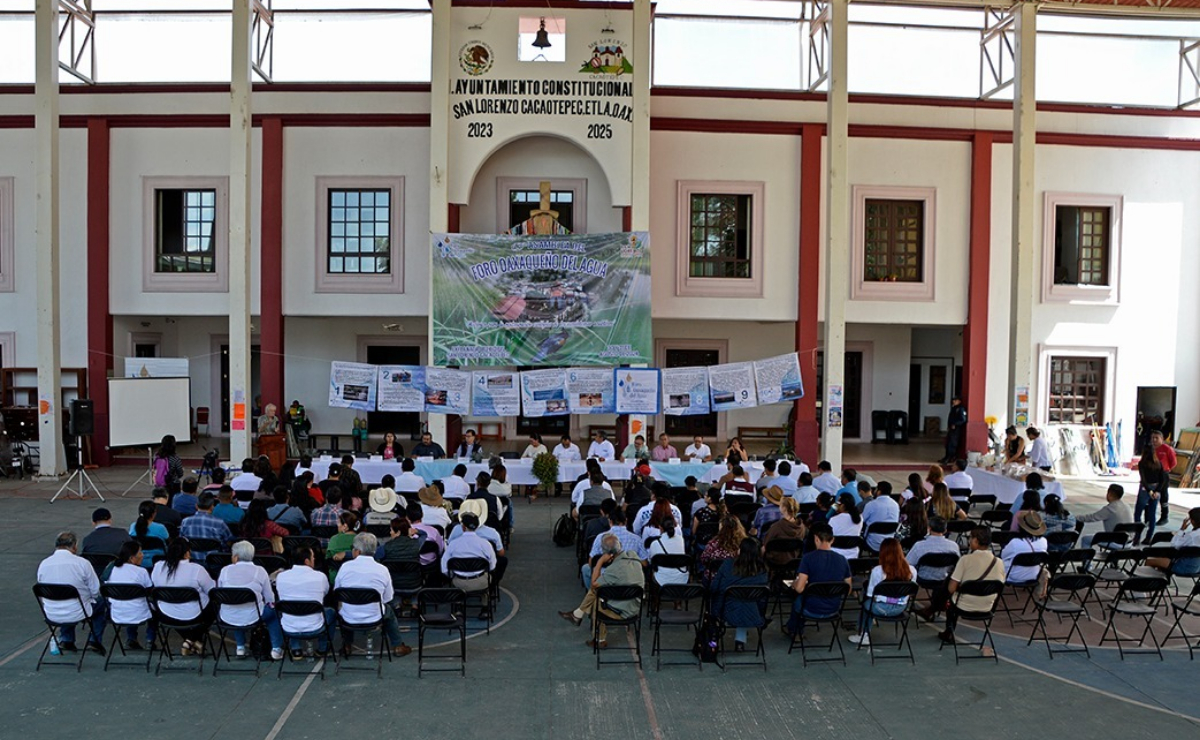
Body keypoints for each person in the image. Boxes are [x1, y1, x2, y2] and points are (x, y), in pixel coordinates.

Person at [558, 533, 645, 649]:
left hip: (623, 611)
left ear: (607, 554)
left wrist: (599, 562)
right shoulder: (633, 555)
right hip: (635, 606)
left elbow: (594, 584)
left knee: (596, 597)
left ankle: (598, 639)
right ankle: (577, 614)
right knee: (598, 594)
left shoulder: (612, 571)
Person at [333, 532, 412, 657]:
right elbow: (388, 597)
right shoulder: (382, 569)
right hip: (375, 615)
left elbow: (337, 591)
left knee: (343, 608)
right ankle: (398, 645)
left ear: (357, 552)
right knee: (389, 611)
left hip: (348, 616)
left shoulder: (345, 567)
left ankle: (347, 645)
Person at [37, 531, 107, 655]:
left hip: (51, 612)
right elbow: (95, 590)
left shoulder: (44, 564)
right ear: (74, 546)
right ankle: (94, 640)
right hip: (77, 610)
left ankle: (67, 639)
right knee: (101, 604)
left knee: (64, 598)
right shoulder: (82, 563)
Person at [938, 527, 1006, 647]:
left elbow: (951, 589)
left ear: (975, 540)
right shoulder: (999, 562)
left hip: (964, 605)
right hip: (987, 606)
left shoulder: (965, 560)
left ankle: (949, 630)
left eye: (970, 538)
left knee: (948, 587)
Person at [217, 540, 284, 660]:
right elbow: (269, 597)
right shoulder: (260, 571)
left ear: (236, 557)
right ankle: (276, 649)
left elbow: (220, 591)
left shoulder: (225, 570)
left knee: (235, 607)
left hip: (227, 616)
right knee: (274, 613)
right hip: (255, 616)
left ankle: (240, 647)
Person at [151, 537, 216, 656]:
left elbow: (155, 584)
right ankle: (192, 640)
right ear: (187, 554)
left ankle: (190, 641)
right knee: (215, 605)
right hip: (195, 615)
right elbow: (211, 590)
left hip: (166, 614)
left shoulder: (158, 567)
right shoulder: (196, 569)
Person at [787, 523, 852, 637]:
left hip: (810, 608)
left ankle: (795, 631)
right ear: (832, 540)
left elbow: (799, 589)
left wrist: (795, 584)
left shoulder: (808, 558)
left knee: (797, 599)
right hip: (833, 608)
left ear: (816, 539)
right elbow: (848, 589)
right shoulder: (842, 560)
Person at [849, 538, 917, 646]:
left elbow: (871, 595)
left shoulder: (877, 571)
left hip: (879, 608)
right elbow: (910, 592)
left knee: (866, 599)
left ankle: (863, 634)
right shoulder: (912, 570)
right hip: (900, 608)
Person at [275, 545, 334, 657]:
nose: (314, 559)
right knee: (330, 612)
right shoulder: (320, 576)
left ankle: (296, 648)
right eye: (313, 557)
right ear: (307, 561)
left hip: (288, 627)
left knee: (287, 609)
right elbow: (325, 593)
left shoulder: (281, 577)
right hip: (315, 626)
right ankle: (323, 648)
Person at [710, 537, 769, 651]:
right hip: (753, 613)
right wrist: (761, 613)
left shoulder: (728, 565)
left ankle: (713, 641)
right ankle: (740, 642)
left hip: (726, 611)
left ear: (740, 550)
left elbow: (714, 587)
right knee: (746, 602)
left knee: (737, 601)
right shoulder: (762, 570)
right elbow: (762, 598)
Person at [908, 517, 962, 620]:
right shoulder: (953, 546)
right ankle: (935, 606)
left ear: (929, 528)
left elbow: (908, 564)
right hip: (943, 579)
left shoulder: (919, 546)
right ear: (945, 530)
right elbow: (956, 566)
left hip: (923, 578)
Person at [441, 513, 499, 606]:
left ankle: (459, 606)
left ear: (463, 527)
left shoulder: (453, 544)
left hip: (459, 582)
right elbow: (492, 566)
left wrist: (453, 576)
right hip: (481, 582)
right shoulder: (485, 544)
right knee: (488, 577)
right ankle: (485, 606)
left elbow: (444, 567)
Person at [106, 540, 156, 650]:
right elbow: (149, 591)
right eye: (140, 553)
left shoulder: (111, 569)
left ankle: (131, 638)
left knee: (128, 601)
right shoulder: (141, 571)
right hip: (139, 612)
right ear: (131, 558)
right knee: (154, 609)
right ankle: (150, 640)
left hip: (117, 612)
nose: (142, 555)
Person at [1144, 507, 1200, 575]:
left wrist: (1182, 529)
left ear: (1193, 521)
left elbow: (1175, 545)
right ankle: (1160, 579)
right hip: (1198, 567)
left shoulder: (1192, 535)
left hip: (1183, 566)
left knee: (1149, 561)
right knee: (1163, 560)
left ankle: (1152, 581)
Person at [1002, 511, 1048, 587]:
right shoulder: (1044, 541)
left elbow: (1003, 556)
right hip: (1034, 575)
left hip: (1014, 576)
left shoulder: (1015, 542)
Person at [1135, 444, 1169, 544]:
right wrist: (1157, 491)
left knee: (1138, 513)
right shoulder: (1159, 463)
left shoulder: (1142, 463)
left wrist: (1149, 490)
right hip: (1156, 488)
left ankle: (1137, 537)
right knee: (1152, 514)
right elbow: (1163, 479)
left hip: (1146, 489)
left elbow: (1143, 479)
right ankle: (1149, 537)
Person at [761, 497, 806, 566]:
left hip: (775, 562)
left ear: (784, 508)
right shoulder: (801, 527)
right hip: (794, 561)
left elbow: (766, 545)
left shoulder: (776, 527)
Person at [646, 514, 688, 586]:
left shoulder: (655, 544)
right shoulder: (681, 540)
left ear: (660, 528)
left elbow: (650, 561)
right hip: (682, 577)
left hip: (661, 579)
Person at [861, 483, 901, 551]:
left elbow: (862, 520)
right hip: (889, 543)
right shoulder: (896, 505)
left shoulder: (871, 505)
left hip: (872, 543)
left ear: (879, 491)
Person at [130, 499, 171, 565]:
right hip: (158, 561)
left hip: (138, 560)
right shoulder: (160, 527)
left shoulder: (133, 526)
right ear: (154, 514)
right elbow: (168, 542)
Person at [1150, 430, 1177, 526]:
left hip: (1163, 474)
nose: (1154, 440)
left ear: (1162, 439)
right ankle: (1148, 518)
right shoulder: (1150, 449)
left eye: (1156, 438)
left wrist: (1166, 469)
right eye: (1153, 438)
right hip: (1152, 474)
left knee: (1163, 496)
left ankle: (1164, 517)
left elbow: (1173, 462)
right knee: (1150, 495)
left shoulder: (1167, 449)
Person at [407, 502, 445, 567]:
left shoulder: (403, 533)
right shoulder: (433, 531)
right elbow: (440, 550)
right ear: (422, 515)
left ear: (407, 517)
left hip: (410, 566)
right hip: (432, 565)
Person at [829, 493, 863, 560]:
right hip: (853, 556)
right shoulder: (860, 518)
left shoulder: (834, 520)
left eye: (838, 504)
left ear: (843, 505)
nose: (836, 505)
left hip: (835, 555)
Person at [942, 396, 967, 465]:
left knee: (952, 444)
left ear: (959, 401)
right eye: (953, 400)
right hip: (951, 428)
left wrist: (955, 424)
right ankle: (946, 457)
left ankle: (950, 458)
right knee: (948, 443)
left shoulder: (961, 409)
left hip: (956, 430)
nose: (954, 401)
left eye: (955, 400)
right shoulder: (954, 408)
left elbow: (963, 419)